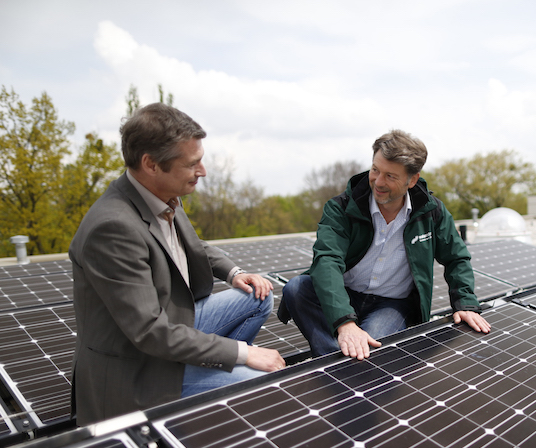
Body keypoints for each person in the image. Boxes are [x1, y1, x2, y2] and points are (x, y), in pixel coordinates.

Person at [69, 103, 284, 426]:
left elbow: (193, 247)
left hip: (173, 324)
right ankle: (208, 389)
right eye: (192, 164)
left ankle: (208, 367)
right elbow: (150, 332)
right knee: (251, 380)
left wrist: (234, 273)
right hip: (140, 369)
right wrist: (242, 353)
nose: (203, 172)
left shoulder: (162, 194)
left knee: (258, 295)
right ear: (151, 164)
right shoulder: (113, 229)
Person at [278, 129, 490, 359]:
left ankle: (341, 363)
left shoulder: (431, 213)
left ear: (412, 180)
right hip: (345, 292)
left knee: (370, 348)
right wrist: (344, 322)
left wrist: (465, 303)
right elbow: (327, 261)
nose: (378, 182)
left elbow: (456, 257)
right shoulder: (342, 207)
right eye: (375, 170)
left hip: (391, 304)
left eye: (390, 176)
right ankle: (337, 364)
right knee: (297, 288)